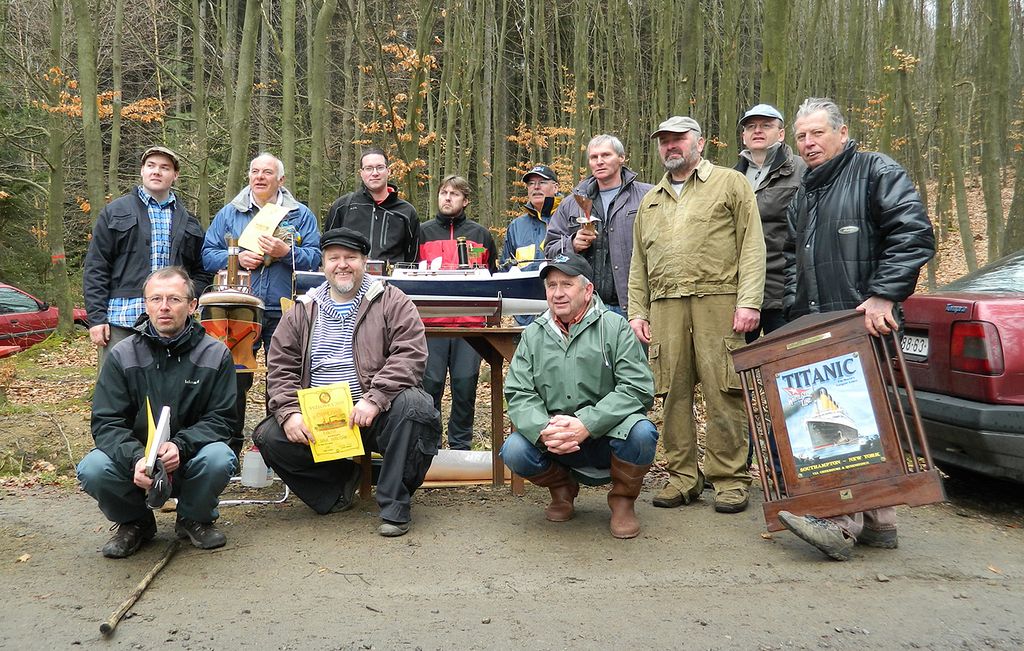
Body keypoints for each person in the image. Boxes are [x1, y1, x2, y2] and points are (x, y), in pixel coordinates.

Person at [777, 97, 935, 561]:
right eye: (802, 136)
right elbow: (791, 258)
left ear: (842, 133)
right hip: (817, 324)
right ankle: (880, 521)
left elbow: (913, 233)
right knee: (857, 415)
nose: (808, 143)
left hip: (864, 319)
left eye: (818, 133)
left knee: (849, 420)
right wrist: (795, 314)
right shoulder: (805, 193)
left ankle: (839, 524)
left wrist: (884, 294)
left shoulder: (874, 171)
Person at [256, 227, 440, 537]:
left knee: (416, 408)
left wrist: (375, 398)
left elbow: (410, 354)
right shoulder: (302, 310)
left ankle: (395, 504)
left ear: (365, 261)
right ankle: (339, 484)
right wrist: (290, 413)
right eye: (334, 258)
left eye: (351, 257)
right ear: (323, 264)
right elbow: (281, 368)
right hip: (320, 419)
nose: (342, 265)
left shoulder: (391, 300)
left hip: (376, 414)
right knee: (268, 436)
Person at [628, 116, 766, 514]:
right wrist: (637, 310)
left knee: (724, 391)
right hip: (665, 306)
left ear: (700, 143)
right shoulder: (650, 200)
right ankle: (683, 476)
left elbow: (752, 245)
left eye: (679, 139)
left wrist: (749, 301)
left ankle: (730, 478)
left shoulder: (730, 183)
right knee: (671, 393)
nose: (671, 146)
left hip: (718, 300)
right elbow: (639, 262)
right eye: (664, 141)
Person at [77, 267, 237, 558]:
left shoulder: (216, 354)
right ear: (146, 304)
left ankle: (194, 517)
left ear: (192, 306)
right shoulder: (122, 354)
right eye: (155, 299)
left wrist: (180, 446)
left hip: (191, 458)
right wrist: (137, 458)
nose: (164, 307)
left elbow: (223, 420)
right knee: (93, 467)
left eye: (174, 299)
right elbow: (106, 422)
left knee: (219, 457)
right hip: (136, 463)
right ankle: (135, 522)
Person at [501, 252, 658, 538]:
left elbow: (638, 386)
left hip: (609, 435)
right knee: (514, 449)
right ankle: (562, 490)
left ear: (587, 291)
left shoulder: (615, 327)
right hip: (557, 441)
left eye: (567, 284)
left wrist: (587, 423)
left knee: (642, 433)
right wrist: (543, 429)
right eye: (551, 285)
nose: (558, 293)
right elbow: (519, 392)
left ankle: (623, 501)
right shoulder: (533, 335)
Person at [202, 153, 321, 452]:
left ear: (281, 180)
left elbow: (317, 258)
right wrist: (237, 257)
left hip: (286, 309)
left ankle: (275, 448)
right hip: (239, 308)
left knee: (283, 378)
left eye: (267, 172)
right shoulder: (230, 213)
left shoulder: (300, 215)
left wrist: (286, 253)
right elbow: (207, 255)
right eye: (255, 171)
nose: (259, 177)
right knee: (234, 377)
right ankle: (228, 448)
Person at [83, 146, 211, 369]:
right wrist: (96, 318)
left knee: (169, 385)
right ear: (142, 170)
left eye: (165, 168)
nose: (157, 171)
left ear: (175, 175)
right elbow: (96, 267)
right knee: (117, 386)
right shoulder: (114, 212)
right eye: (151, 166)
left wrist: (187, 301)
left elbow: (203, 270)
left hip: (172, 326)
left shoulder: (189, 221)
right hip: (122, 321)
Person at [417, 175, 498, 450]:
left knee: (465, 387)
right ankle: (429, 446)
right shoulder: (422, 232)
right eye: (443, 192)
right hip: (431, 325)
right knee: (430, 387)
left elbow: (492, 279)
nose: (447, 198)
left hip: (470, 326)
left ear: (465, 200)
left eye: (454, 193)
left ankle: (461, 445)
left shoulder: (480, 234)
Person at [544, 134, 653, 317]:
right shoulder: (572, 203)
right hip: (586, 308)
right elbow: (550, 249)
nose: (599, 161)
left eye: (606, 155)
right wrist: (572, 244)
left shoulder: (646, 196)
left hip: (635, 307)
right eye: (594, 157)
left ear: (621, 158)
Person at [734, 104, 806, 342]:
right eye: (751, 127)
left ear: (781, 133)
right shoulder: (731, 178)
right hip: (741, 294)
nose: (758, 131)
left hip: (785, 290)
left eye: (766, 125)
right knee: (740, 362)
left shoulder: (802, 171)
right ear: (743, 136)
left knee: (790, 359)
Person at [324, 147, 420, 266]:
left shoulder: (406, 212)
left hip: (392, 277)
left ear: (388, 171)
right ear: (361, 173)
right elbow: (328, 248)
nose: (375, 173)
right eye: (368, 168)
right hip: (350, 274)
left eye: (380, 167)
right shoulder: (342, 207)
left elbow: (412, 259)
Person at [502, 164, 562, 326]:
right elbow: (505, 269)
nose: (536, 187)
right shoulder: (516, 227)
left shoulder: (568, 219)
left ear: (555, 187)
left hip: (563, 313)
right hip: (525, 317)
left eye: (542, 182)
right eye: (531, 183)